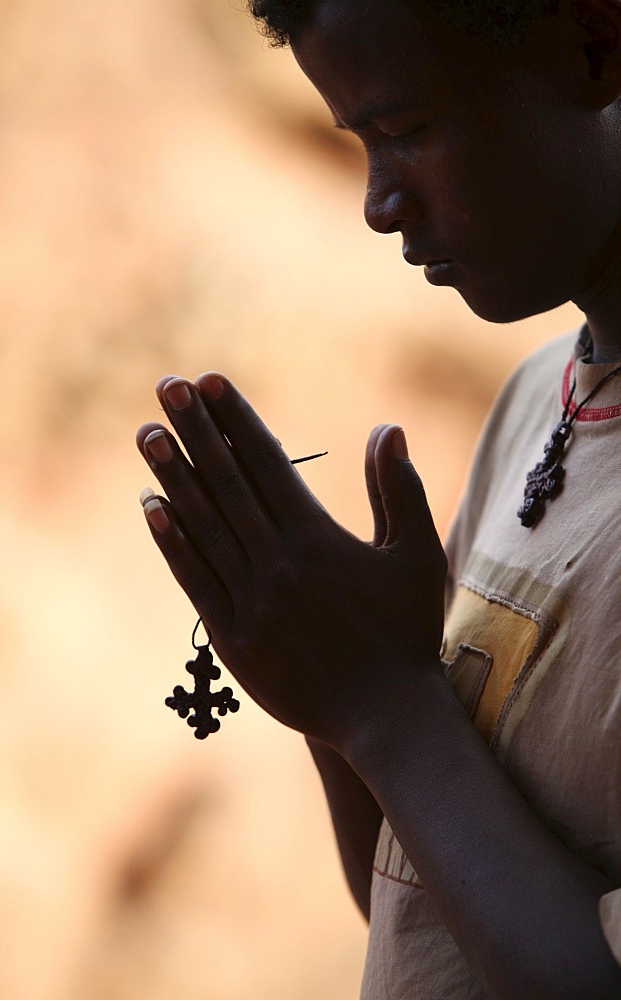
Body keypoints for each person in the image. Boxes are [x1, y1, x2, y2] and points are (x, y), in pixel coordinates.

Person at [135, 1, 621, 996]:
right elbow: (416, 904)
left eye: (405, 133)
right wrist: (327, 680)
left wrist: (384, 705)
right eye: (358, 142)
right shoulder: (540, 395)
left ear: (588, 46)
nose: (376, 204)